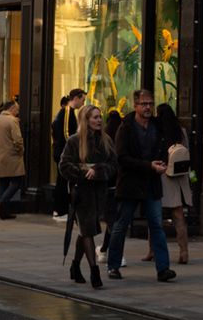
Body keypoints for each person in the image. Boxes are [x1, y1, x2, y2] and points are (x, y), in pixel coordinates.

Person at [108, 90, 174, 282]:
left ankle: (163, 268)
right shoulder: (126, 127)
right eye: (144, 104)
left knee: (156, 226)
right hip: (130, 183)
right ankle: (113, 265)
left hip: (151, 183)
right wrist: (148, 166)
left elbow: (163, 148)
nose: (147, 107)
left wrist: (162, 162)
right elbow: (122, 157)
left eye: (150, 103)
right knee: (121, 225)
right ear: (135, 105)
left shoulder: (156, 126)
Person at [60, 106, 114, 289]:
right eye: (95, 118)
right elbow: (64, 165)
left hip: (99, 193)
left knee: (85, 230)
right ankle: (94, 271)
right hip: (81, 192)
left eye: (100, 117)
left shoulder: (106, 140)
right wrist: (84, 171)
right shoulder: (75, 141)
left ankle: (75, 265)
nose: (99, 120)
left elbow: (113, 165)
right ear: (86, 120)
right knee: (88, 230)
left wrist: (98, 170)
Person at [156, 103, 191, 266]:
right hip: (179, 177)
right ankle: (184, 251)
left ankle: (151, 250)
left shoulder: (157, 131)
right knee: (179, 216)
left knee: (154, 216)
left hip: (162, 175)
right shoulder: (181, 132)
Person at [51, 89, 85, 221]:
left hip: (62, 151)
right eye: (82, 100)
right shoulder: (67, 112)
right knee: (62, 181)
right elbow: (66, 133)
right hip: (63, 152)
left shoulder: (69, 112)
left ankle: (60, 210)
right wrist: (73, 149)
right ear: (76, 98)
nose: (83, 103)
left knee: (63, 180)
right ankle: (59, 211)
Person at [0, 100, 26, 219]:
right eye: (17, 109)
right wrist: (21, 151)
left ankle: (3, 212)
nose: (17, 112)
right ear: (11, 109)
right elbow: (18, 140)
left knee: (3, 182)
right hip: (13, 155)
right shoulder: (12, 120)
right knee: (17, 182)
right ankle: (2, 201)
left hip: (1, 155)